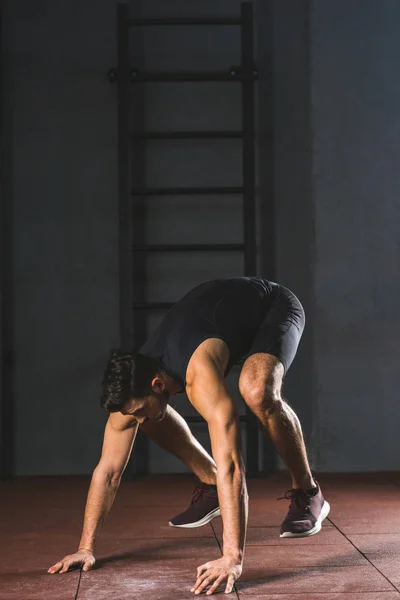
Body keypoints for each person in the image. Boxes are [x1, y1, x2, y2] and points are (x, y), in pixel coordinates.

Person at [48, 277, 330, 595]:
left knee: (255, 391)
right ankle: (208, 483)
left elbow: (233, 467)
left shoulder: (199, 378)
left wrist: (231, 558)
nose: (137, 418)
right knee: (147, 418)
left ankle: (308, 492)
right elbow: (108, 471)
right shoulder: (135, 380)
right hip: (220, 320)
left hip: (273, 307)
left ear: (157, 384)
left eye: (139, 408)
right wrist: (85, 547)